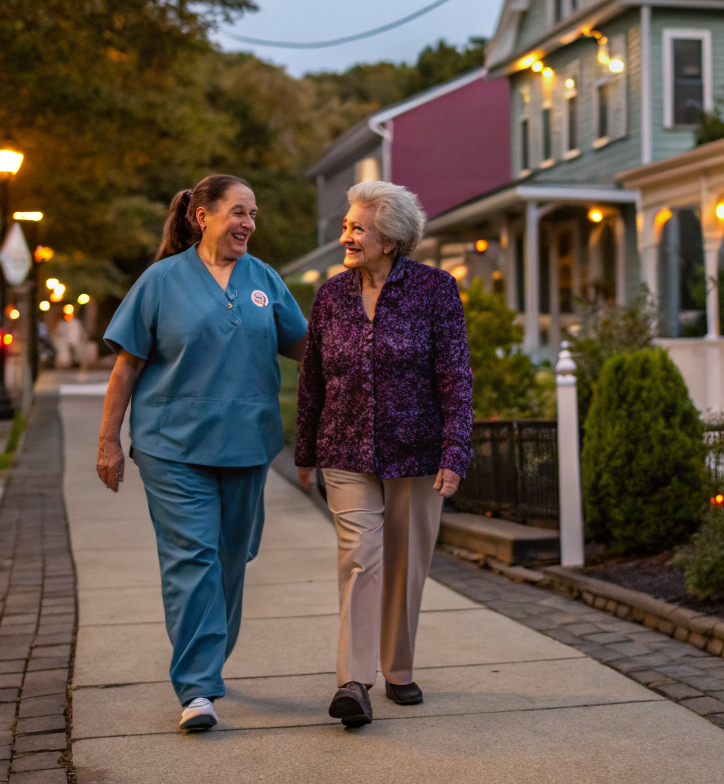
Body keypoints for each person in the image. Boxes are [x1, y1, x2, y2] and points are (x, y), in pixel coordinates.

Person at [95, 174, 308, 732]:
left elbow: (306, 346)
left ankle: (208, 660)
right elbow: (127, 367)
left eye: (253, 214)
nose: (248, 223)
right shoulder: (161, 281)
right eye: (238, 211)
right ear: (202, 216)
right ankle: (197, 687)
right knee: (194, 558)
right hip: (172, 445)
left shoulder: (264, 279)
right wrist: (108, 441)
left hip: (248, 442)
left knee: (231, 559)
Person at [296, 180, 473, 727]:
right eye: (346, 226)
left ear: (391, 239)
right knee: (360, 557)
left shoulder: (435, 290)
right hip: (344, 448)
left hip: (416, 452)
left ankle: (399, 668)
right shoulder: (331, 296)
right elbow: (313, 377)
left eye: (357, 228)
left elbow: (455, 375)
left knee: (406, 564)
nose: (345, 237)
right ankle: (354, 680)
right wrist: (304, 450)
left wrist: (455, 450)